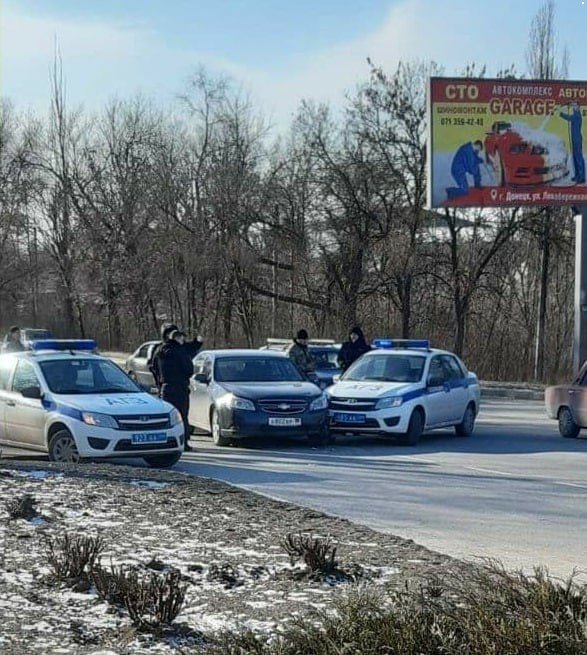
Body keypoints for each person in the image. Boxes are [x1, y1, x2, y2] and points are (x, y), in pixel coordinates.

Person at [157, 330, 194, 452]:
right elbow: (188, 369)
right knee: (181, 416)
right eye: (182, 338)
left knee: (167, 416)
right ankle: (183, 442)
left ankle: (165, 441)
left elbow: (154, 367)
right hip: (179, 387)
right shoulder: (180, 352)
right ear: (177, 338)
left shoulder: (160, 351)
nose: (183, 341)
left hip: (165, 387)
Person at [560, 102, 586, 184]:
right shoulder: (575, 115)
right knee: (575, 158)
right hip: (574, 140)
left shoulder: (577, 116)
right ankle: (577, 176)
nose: (574, 107)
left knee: (578, 158)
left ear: (578, 108)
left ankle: (582, 177)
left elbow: (569, 117)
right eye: (574, 106)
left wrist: (561, 113)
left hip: (577, 140)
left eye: (575, 106)